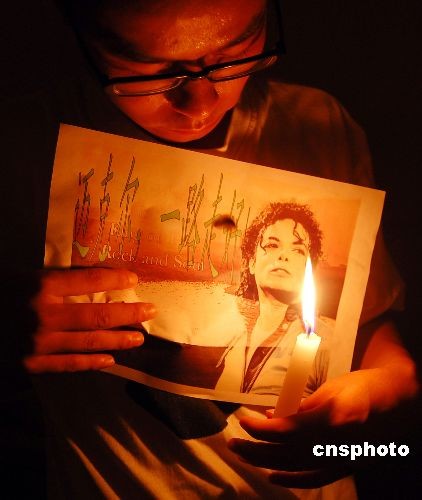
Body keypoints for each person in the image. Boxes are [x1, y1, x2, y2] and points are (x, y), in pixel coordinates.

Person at [1, 0, 418, 498]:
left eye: (234, 53)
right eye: (154, 70)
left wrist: (382, 399)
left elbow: (368, 331)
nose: (199, 104)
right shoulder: (22, 147)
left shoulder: (316, 125)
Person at [215, 201, 333, 396]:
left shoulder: (327, 342)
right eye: (272, 245)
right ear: (252, 263)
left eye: (298, 250)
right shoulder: (233, 336)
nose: (283, 256)